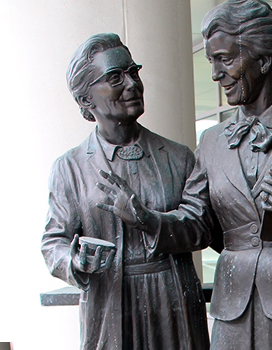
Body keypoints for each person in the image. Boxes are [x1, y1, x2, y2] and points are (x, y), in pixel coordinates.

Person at [97, 1, 272, 349]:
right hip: (235, 311)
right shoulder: (212, 141)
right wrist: (147, 219)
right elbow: (198, 224)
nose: (216, 74)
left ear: (263, 58)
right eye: (212, 61)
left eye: (225, 59)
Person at [41, 33, 210, 350]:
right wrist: (75, 259)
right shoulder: (70, 167)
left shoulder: (178, 156)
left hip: (172, 300)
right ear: (86, 100)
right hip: (111, 304)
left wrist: (146, 219)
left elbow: (201, 227)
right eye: (115, 77)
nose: (132, 83)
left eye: (133, 72)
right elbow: (54, 242)